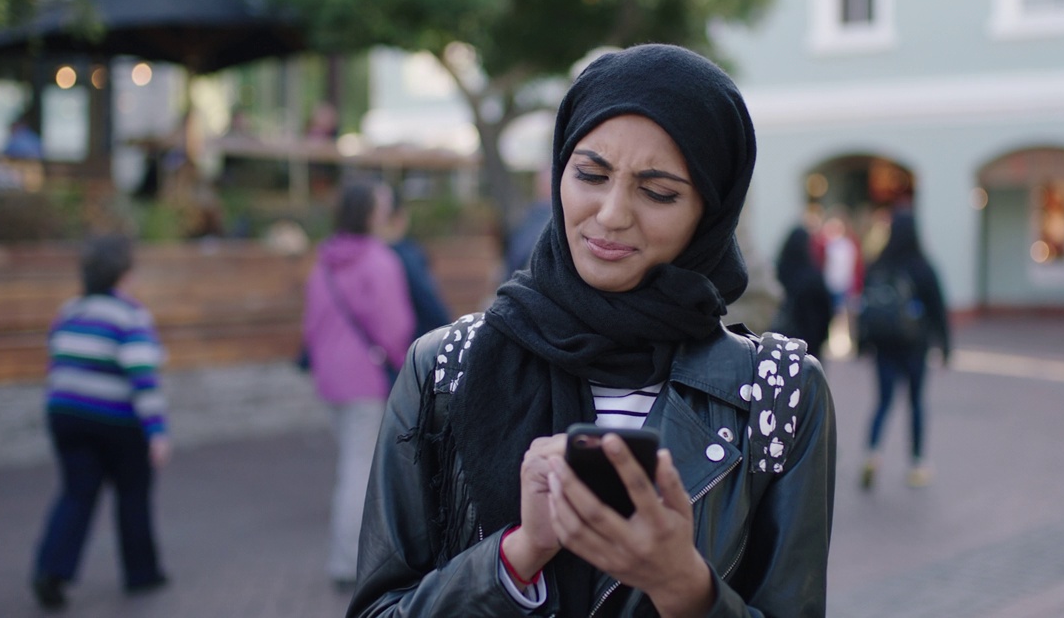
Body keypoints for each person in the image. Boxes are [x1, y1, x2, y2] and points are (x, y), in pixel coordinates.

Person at [349, 44, 836, 617]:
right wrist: (517, 554)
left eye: (658, 192)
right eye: (590, 174)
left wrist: (683, 585)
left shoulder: (779, 394)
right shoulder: (444, 368)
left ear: (711, 211)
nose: (610, 213)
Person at [31, 234, 171, 610]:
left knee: (77, 494)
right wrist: (157, 431)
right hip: (116, 420)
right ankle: (142, 573)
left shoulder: (70, 310)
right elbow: (143, 376)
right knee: (133, 494)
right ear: (123, 275)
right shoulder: (130, 314)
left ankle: (51, 571)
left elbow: (55, 362)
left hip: (64, 414)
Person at [303, 181, 416, 591]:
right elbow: (395, 327)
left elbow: (311, 326)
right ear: (370, 214)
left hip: (331, 379)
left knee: (351, 463)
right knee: (359, 470)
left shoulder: (324, 261)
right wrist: (404, 365)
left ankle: (349, 556)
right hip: (367, 379)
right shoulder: (379, 261)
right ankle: (348, 561)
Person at [856, 210, 950, 490]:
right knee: (916, 402)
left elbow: (865, 306)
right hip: (914, 346)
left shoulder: (879, 265)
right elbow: (938, 309)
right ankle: (917, 463)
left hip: (884, 345)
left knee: (883, 402)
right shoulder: (923, 267)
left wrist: (862, 343)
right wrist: (944, 345)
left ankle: (872, 455)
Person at [377, 182, 452, 341]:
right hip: (409, 347)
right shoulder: (406, 255)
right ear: (400, 216)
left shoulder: (362, 256)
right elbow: (430, 305)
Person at [773, 204, 835, 359]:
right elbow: (826, 310)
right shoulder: (813, 276)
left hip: (780, 343)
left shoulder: (777, 272)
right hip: (810, 345)